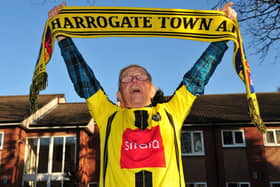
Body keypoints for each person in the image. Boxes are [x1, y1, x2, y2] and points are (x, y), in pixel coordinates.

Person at [49, 2, 236, 187]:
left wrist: (222, 34)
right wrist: (63, 37)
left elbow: (197, 77)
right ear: (119, 95)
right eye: (126, 79)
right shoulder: (108, 116)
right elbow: (85, 81)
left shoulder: (172, 112)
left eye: (141, 77)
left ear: (153, 90)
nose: (134, 80)